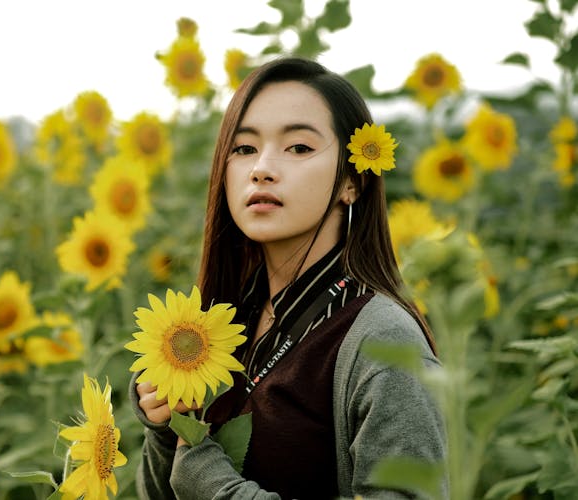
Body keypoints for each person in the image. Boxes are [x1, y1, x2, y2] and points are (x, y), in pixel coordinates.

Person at [128, 56, 448, 499]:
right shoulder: (217, 321)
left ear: (351, 181)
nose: (262, 167)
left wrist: (217, 489)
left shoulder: (385, 345)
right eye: (243, 149)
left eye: (298, 147)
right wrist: (167, 426)